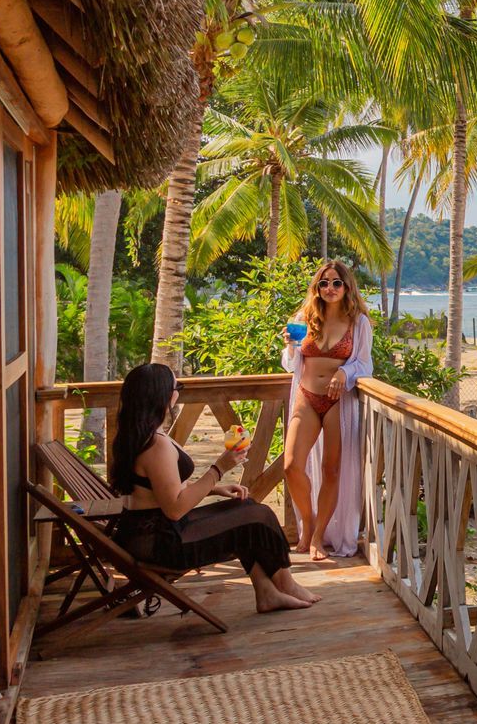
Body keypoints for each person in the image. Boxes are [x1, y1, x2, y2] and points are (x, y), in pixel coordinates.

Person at [109, 363, 318, 613]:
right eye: (177, 387)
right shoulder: (155, 445)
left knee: (246, 508)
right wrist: (219, 467)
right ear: (162, 395)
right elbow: (175, 508)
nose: (179, 392)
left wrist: (214, 489)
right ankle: (285, 584)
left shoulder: (138, 435)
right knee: (257, 516)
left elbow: (162, 491)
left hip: (149, 532)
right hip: (162, 544)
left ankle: (267, 592)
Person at [281, 260, 375, 560]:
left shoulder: (358, 322)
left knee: (331, 470)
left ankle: (318, 537)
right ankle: (307, 522)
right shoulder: (305, 317)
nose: (330, 288)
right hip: (307, 397)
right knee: (291, 465)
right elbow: (291, 363)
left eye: (336, 282)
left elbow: (364, 363)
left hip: (338, 401)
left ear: (347, 287)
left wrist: (344, 374)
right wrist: (291, 347)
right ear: (317, 288)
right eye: (324, 283)